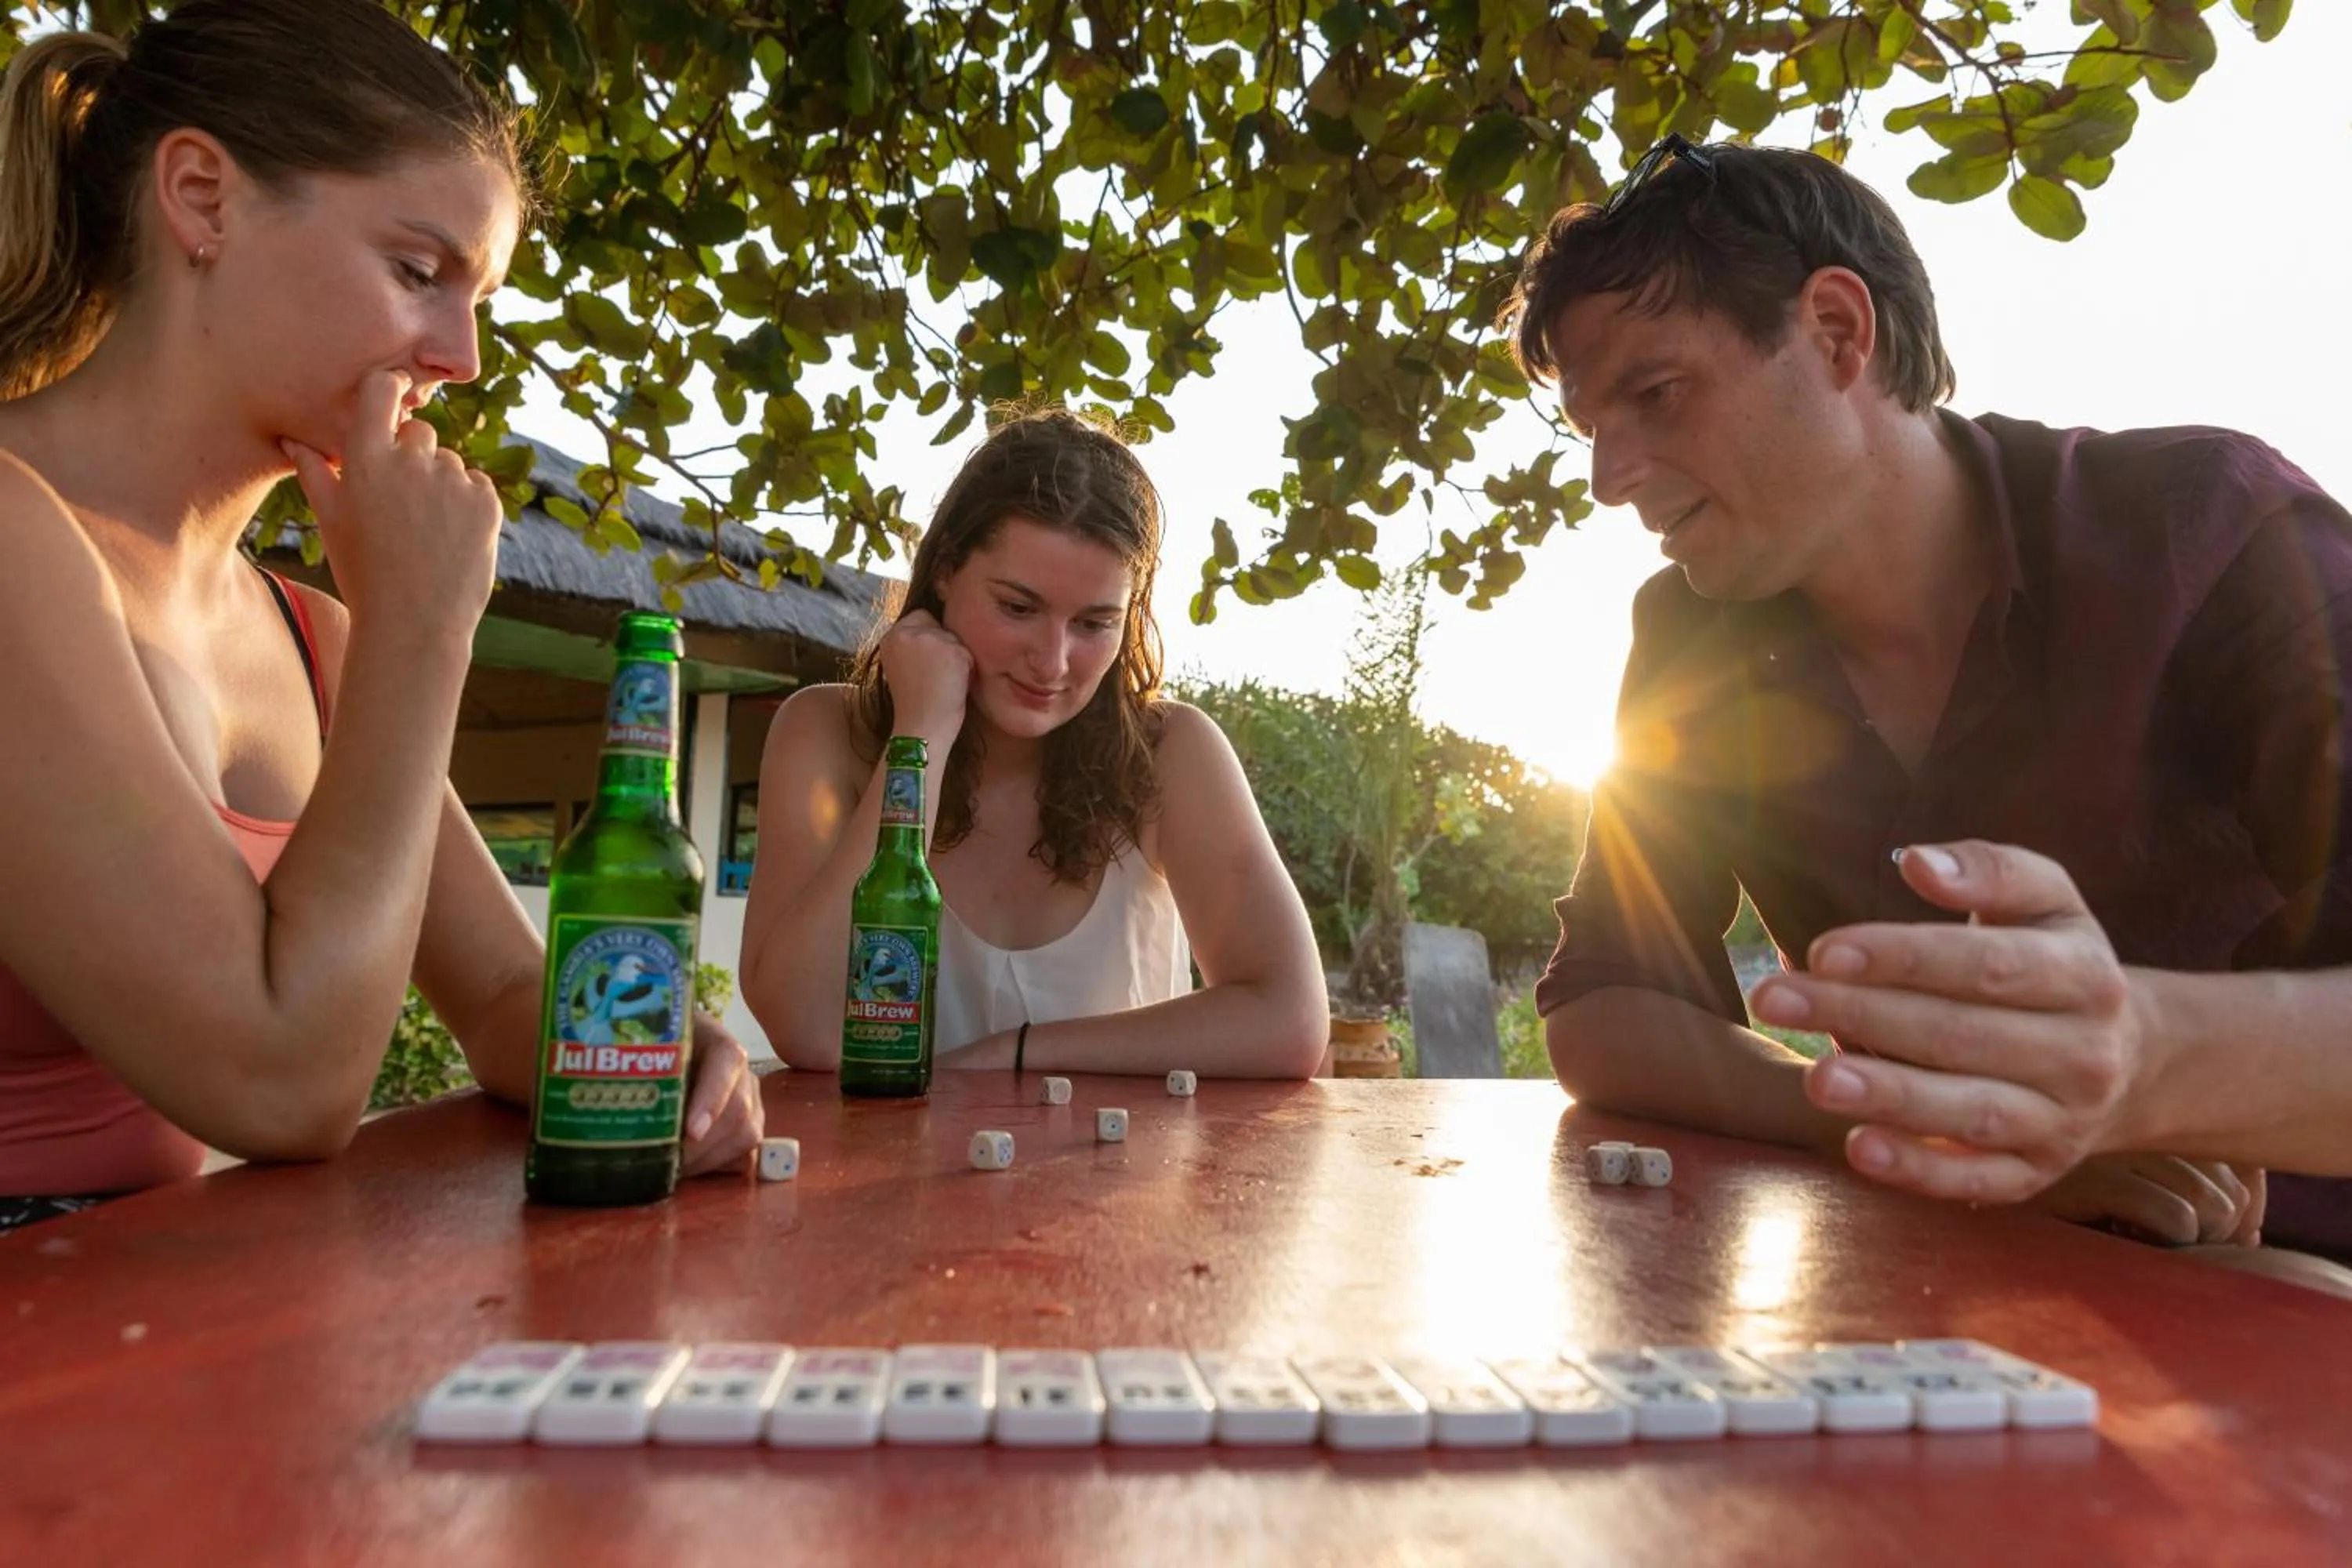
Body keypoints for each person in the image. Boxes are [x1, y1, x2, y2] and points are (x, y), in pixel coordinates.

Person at [1502, 135, 2352, 1275]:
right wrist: (1897, 1122)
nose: (1609, 479)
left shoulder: (2209, 533)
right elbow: (1608, 1005)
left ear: (1839, 332)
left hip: (2284, 1281)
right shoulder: (1688, 635)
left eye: (1656, 394)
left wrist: (2133, 1075)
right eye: (1591, 429)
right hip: (1918, 1267)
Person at [0, 0, 760, 1234]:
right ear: (202, 198)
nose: (460, 355)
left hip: (156, 1326)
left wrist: (648, 1043)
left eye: (481, 301)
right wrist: (424, 629)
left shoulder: (314, 638)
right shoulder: (11, 532)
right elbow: (285, 1085)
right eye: (417, 272)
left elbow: (513, 991)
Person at [742, 407, 1327, 1079]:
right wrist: (920, 734)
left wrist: (1010, 1055)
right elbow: (808, 1027)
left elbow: (1290, 1021)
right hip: (878, 1183)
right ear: (944, 572)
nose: (1052, 663)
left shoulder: (1169, 751)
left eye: (1094, 623)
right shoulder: (826, 733)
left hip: (1122, 1180)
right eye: (1018, 608)